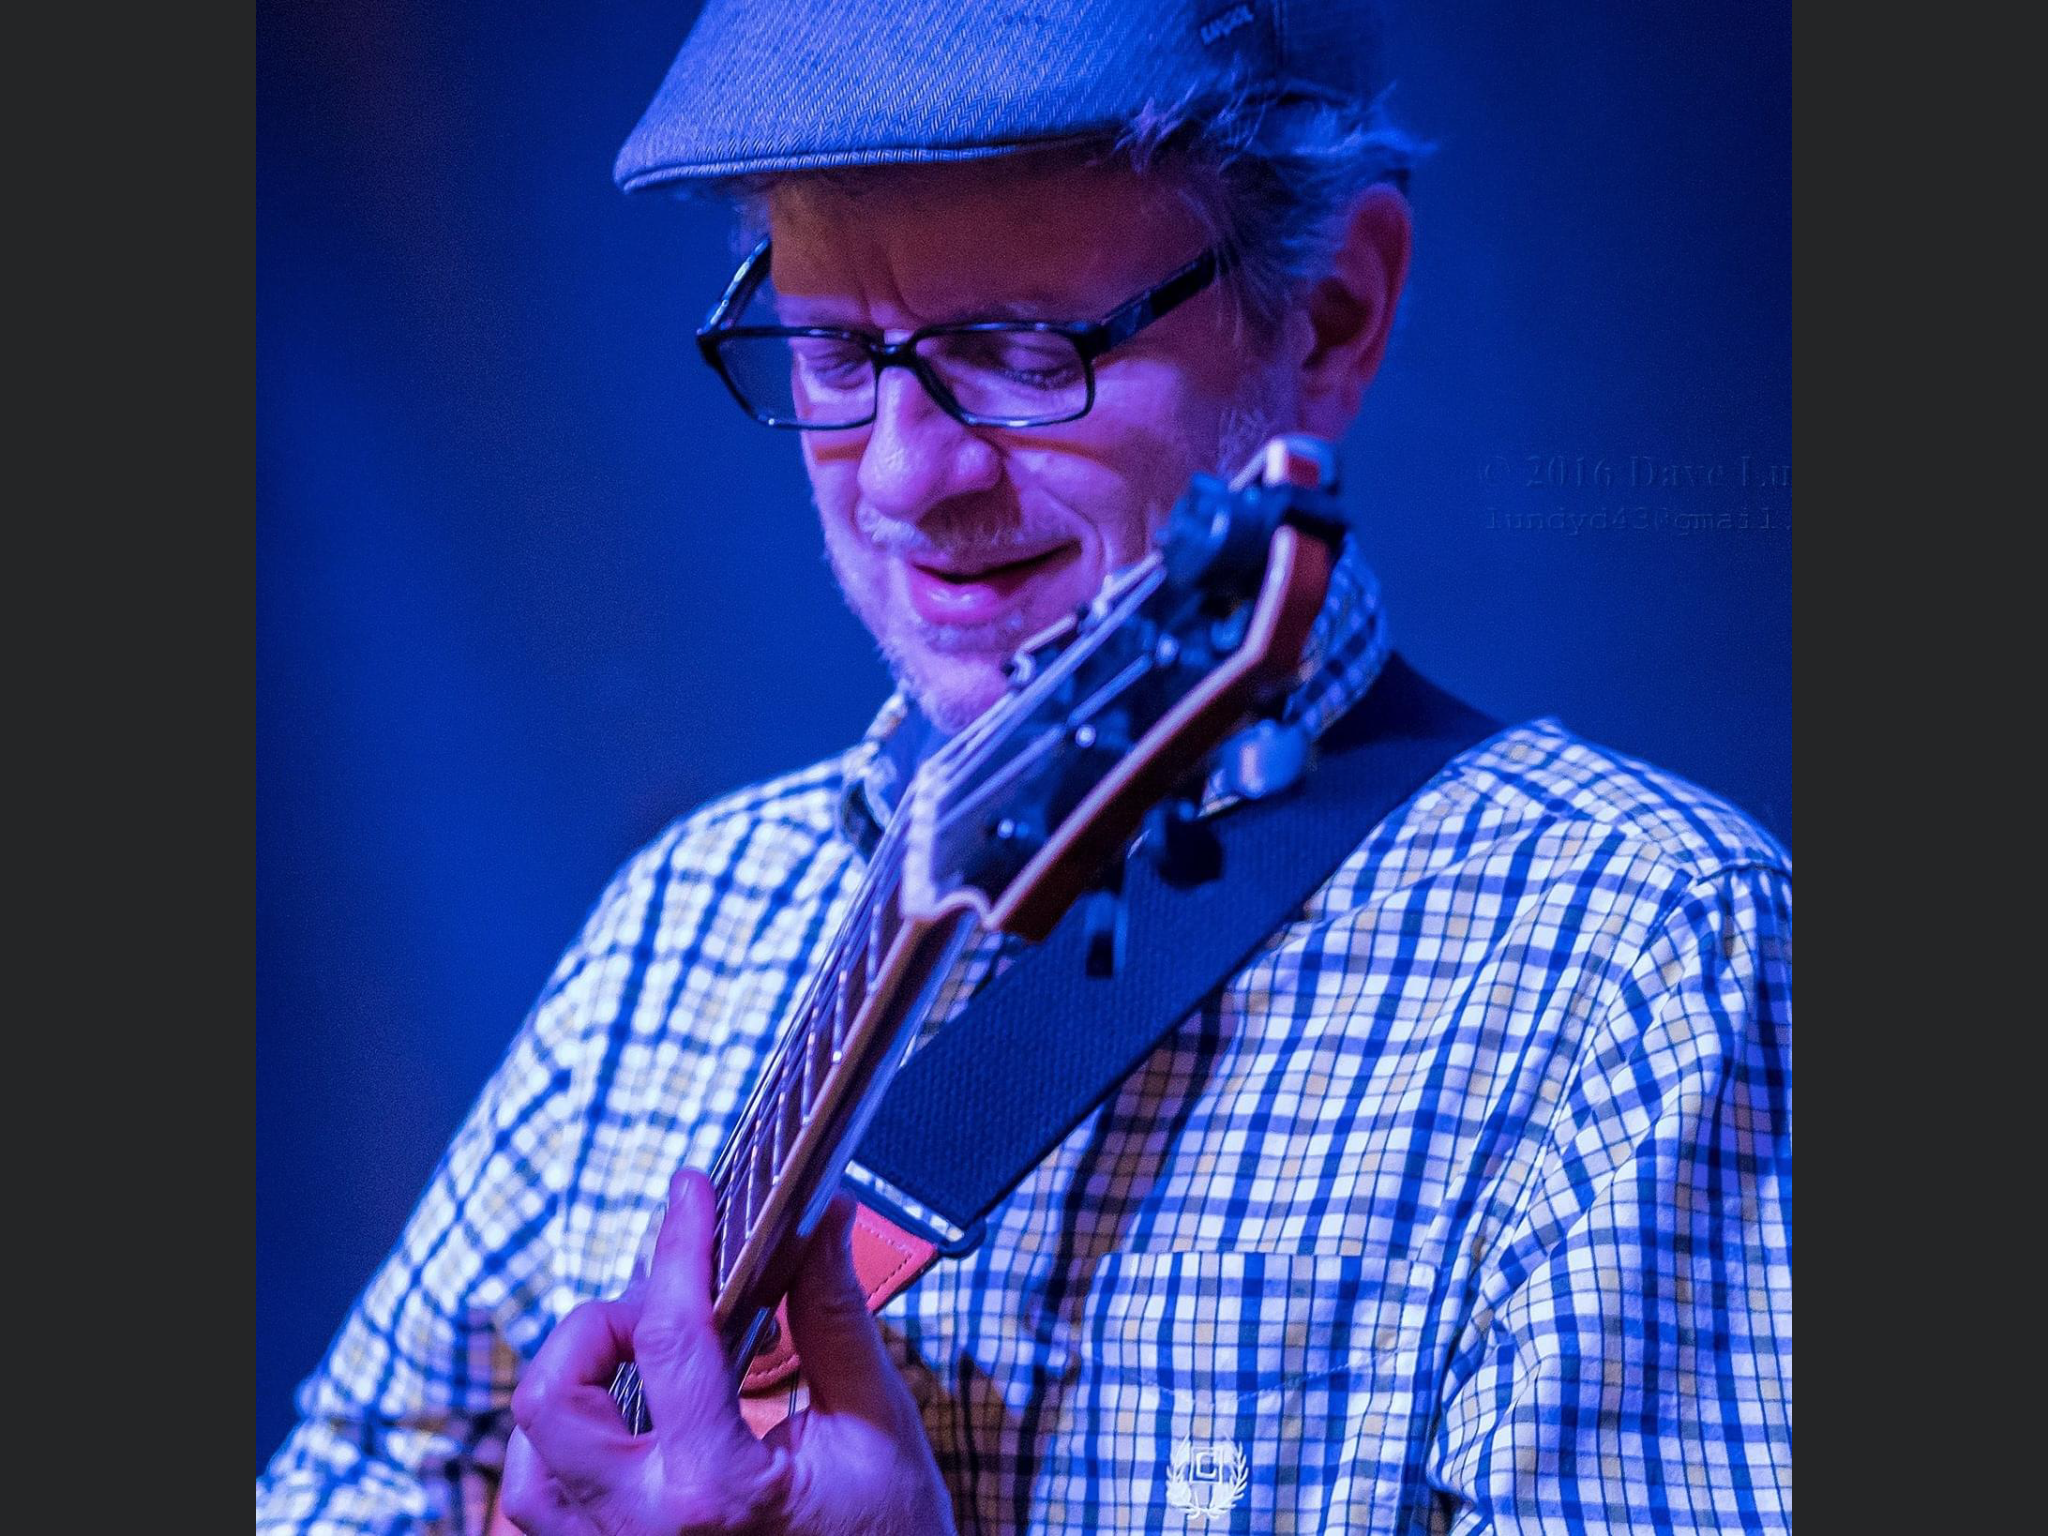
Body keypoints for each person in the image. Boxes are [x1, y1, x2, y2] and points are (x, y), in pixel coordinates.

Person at [257, 1, 1792, 1531]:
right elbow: (336, 1488)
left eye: (1020, 347)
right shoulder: (689, 909)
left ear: (1328, 313)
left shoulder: (1642, 956)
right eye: (839, 351)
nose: (912, 477)